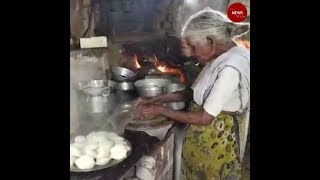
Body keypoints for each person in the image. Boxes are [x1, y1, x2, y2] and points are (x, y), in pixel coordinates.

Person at [135, 7, 250, 180]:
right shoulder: (219, 58)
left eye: (193, 46)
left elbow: (204, 118)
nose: (191, 53)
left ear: (210, 41)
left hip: (217, 145)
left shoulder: (230, 68)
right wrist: (157, 99)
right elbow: (193, 93)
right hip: (203, 142)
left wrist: (161, 110)